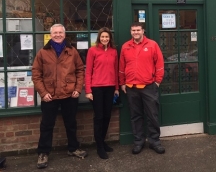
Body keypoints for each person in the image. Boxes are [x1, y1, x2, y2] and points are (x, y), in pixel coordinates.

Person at [32, 24, 87, 169]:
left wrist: (77, 89)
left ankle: (73, 148)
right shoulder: (43, 52)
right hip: (49, 95)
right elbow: (36, 74)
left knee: (71, 123)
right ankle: (43, 152)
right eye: (55, 32)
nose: (58, 35)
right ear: (51, 35)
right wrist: (43, 93)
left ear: (64, 34)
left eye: (60, 32)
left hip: (69, 94)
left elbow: (80, 70)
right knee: (46, 126)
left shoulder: (72, 51)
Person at [119, 22, 165, 155]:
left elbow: (160, 64)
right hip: (131, 87)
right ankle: (138, 142)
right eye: (133, 30)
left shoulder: (152, 45)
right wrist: (122, 83)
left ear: (143, 31)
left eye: (138, 30)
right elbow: (122, 67)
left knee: (152, 115)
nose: (136, 32)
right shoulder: (125, 47)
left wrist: (157, 82)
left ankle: (154, 142)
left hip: (149, 86)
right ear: (130, 32)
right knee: (135, 116)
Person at [85, 27, 119, 159]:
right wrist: (88, 90)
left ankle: (103, 141)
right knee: (98, 117)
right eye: (102, 37)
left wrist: (116, 87)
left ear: (110, 38)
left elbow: (115, 71)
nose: (105, 39)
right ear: (99, 38)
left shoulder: (114, 51)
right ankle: (99, 146)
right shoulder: (92, 51)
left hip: (110, 87)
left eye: (107, 37)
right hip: (96, 88)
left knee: (107, 116)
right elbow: (88, 71)